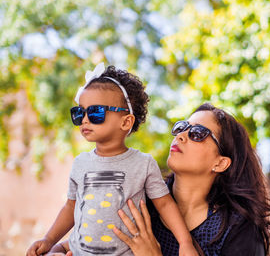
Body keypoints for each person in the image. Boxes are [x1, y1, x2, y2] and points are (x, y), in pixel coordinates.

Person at [26, 63, 198, 256]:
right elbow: (70, 206)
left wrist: (185, 243)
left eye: (95, 113)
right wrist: (49, 240)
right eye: (79, 112)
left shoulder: (143, 164)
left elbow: (165, 204)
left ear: (125, 122)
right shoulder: (80, 163)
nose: (84, 119)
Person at [113, 103, 270, 256]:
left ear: (220, 163)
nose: (181, 136)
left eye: (197, 134)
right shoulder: (138, 200)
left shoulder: (239, 230)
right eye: (181, 127)